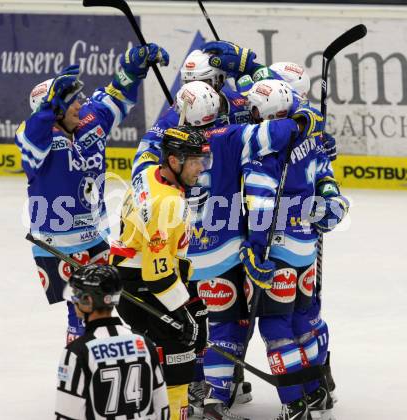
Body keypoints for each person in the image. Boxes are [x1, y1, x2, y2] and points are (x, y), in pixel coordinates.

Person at [133, 79, 322, 420]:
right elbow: (278, 133)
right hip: (229, 247)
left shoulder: (161, 144)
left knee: (198, 325)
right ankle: (221, 394)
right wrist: (304, 118)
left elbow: (143, 169)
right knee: (229, 324)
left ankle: (206, 396)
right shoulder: (231, 137)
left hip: (184, 252)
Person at [15, 43, 169, 343]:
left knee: (107, 304)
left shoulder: (90, 120)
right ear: (54, 109)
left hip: (96, 235)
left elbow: (116, 95)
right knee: (82, 308)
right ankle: (78, 364)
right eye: (70, 101)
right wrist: (49, 105)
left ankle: (108, 353)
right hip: (56, 243)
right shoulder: (34, 135)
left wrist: (133, 69)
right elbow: (31, 141)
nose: (80, 105)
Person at [239, 78, 349, 420]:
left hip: (279, 253)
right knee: (305, 322)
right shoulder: (309, 140)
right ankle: (317, 392)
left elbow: (260, 208)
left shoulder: (264, 150)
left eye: (254, 107)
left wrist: (255, 250)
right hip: (305, 247)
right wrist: (329, 203)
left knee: (276, 329)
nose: (249, 113)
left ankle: (294, 403)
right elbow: (324, 176)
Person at [110, 126, 212, 420]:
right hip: (143, 286)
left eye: (201, 160)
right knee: (178, 356)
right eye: (194, 161)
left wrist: (190, 302)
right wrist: (182, 312)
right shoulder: (166, 202)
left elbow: (165, 258)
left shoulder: (148, 173)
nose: (200, 168)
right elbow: (157, 274)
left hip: (136, 280)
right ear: (174, 161)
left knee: (161, 355)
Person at [55, 263, 170, 419]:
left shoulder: (76, 352)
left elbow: (67, 415)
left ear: (87, 301)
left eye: (76, 295)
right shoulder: (145, 344)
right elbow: (162, 409)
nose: (74, 301)